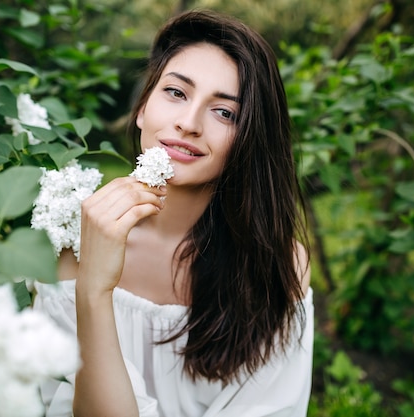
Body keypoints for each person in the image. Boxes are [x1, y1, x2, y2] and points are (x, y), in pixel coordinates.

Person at [34, 9, 314, 417]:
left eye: (225, 112)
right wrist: (92, 290)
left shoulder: (278, 265)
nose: (188, 123)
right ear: (143, 107)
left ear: (248, 140)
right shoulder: (67, 240)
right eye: (176, 93)